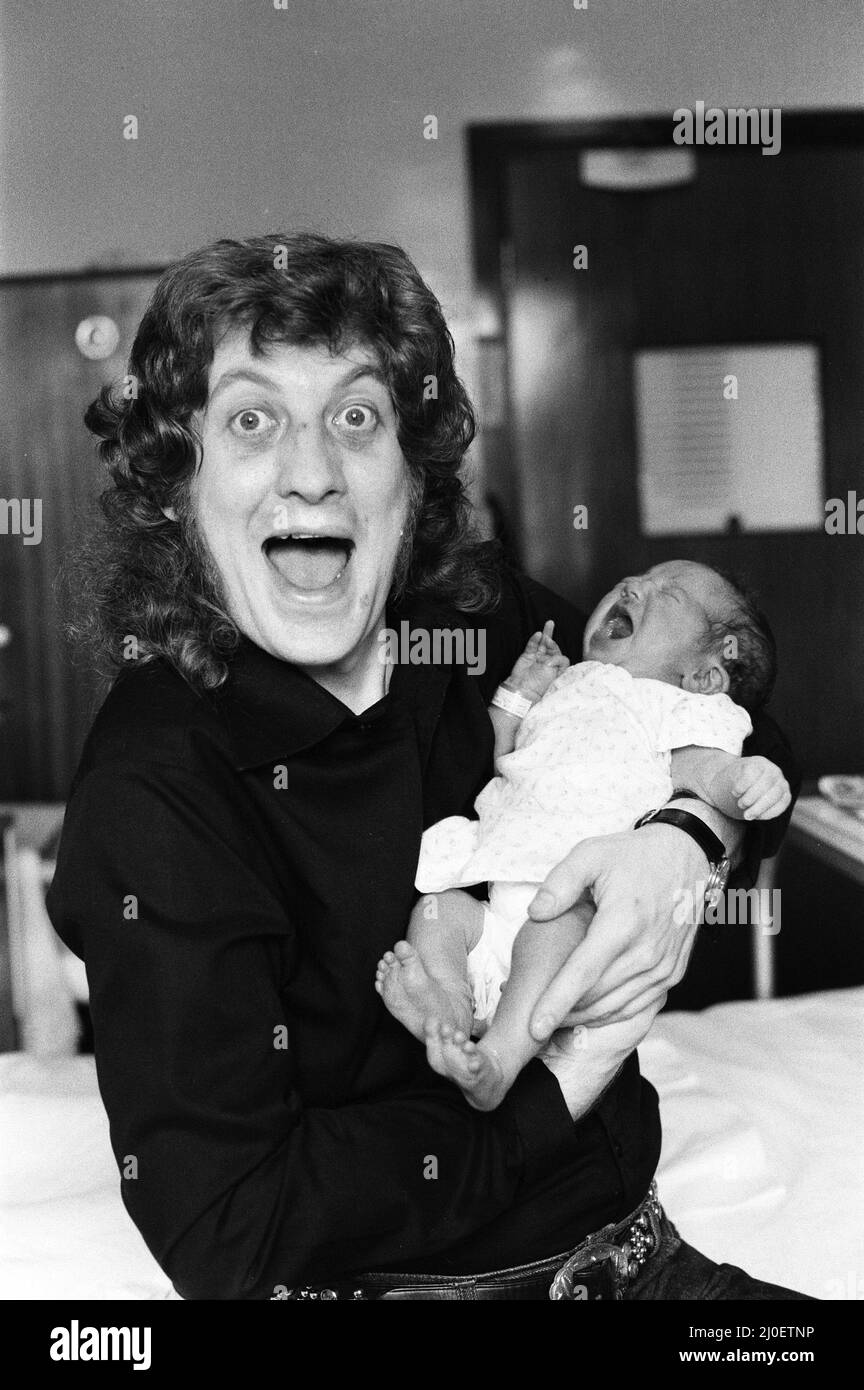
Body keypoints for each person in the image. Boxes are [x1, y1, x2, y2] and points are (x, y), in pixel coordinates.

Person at [47, 233, 809, 1300]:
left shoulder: (474, 616)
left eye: (355, 417)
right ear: (182, 481)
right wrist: (553, 1092)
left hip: (644, 1269)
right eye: (253, 419)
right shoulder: (157, 779)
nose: (311, 472)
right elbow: (236, 1228)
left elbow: (746, 727)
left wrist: (690, 833)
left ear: (411, 468)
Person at [377, 564, 790, 1111]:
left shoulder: (677, 708)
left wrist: (748, 781)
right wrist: (518, 694)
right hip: (495, 904)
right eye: (636, 577)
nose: (632, 586)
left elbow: (708, 774)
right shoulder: (570, 681)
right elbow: (498, 758)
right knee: (441, 911)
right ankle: (448, 1009)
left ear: (705, 676)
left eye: (667, 592)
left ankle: (499, 1058)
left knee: (549, 929)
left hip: (576, 907)